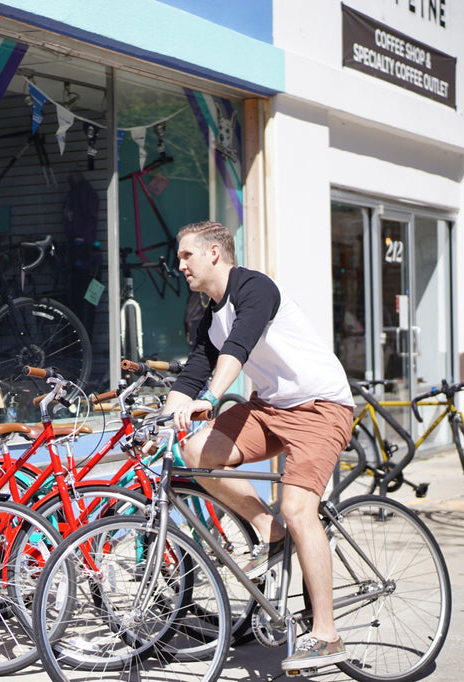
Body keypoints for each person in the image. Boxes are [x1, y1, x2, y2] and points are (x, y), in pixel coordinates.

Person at [145, 220, 354, 672]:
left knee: (300, 509)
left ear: (215, 253)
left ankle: (326, 634)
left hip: (319, 406)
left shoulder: (255, 288)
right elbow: (193, 372)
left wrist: (210, 398)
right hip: (269, 407)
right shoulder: (208, 312)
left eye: (186, 256)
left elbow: (238, 349)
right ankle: (269, 530)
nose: (179, 265)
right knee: (196, 453)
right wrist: (161, 419)